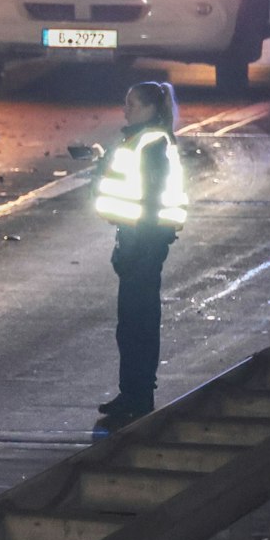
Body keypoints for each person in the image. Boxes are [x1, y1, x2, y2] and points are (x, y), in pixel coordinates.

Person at [94, 80, 189, 429]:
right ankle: (130, 392)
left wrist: (138, 246)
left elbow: (150, 198)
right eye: (126, 102)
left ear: (151, 109)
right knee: (130, 323)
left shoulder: (152, 143)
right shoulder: (138, 139)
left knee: (139, 323)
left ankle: (138, 397)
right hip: (137, 237)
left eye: (133, 104)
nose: (126, 109)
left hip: (145, 240)